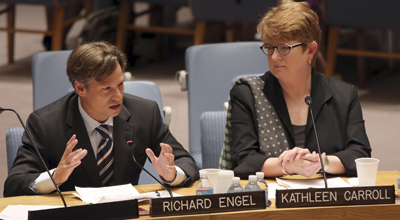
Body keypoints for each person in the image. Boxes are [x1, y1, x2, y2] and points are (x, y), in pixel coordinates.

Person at [4, 42, 199, 197]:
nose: (118, 96)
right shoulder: (46, 123)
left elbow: (186, 164)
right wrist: (55, 177)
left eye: (120, 85)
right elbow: (14, 184)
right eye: (107, 88)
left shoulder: (145, 113)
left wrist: (172, 174)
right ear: (80, 88)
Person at [219, 0, 371, 179]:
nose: (274, 57)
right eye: (269, 47)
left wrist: (322, 163)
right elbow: (243, 161)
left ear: (310, 50)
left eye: (284, 48)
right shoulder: (248, 93)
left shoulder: (344, 95)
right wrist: (289, 166)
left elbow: (360, 155)